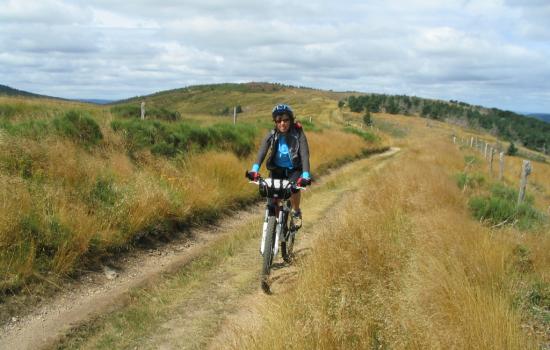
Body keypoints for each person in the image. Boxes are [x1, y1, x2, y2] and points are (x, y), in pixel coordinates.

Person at [247, 104, 311, 228]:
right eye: (279, 120)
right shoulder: (272, 134)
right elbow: (262, 151)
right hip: (277, 170)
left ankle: (296, 212)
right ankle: (275, 226)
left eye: (286, 120)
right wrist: (254, 170)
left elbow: (304, 154)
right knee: (273, 199)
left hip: (294, 170)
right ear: (275, 122)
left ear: (291, 120)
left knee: (294, 189)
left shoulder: (298, 133)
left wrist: (306, 175)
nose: (282, 123)